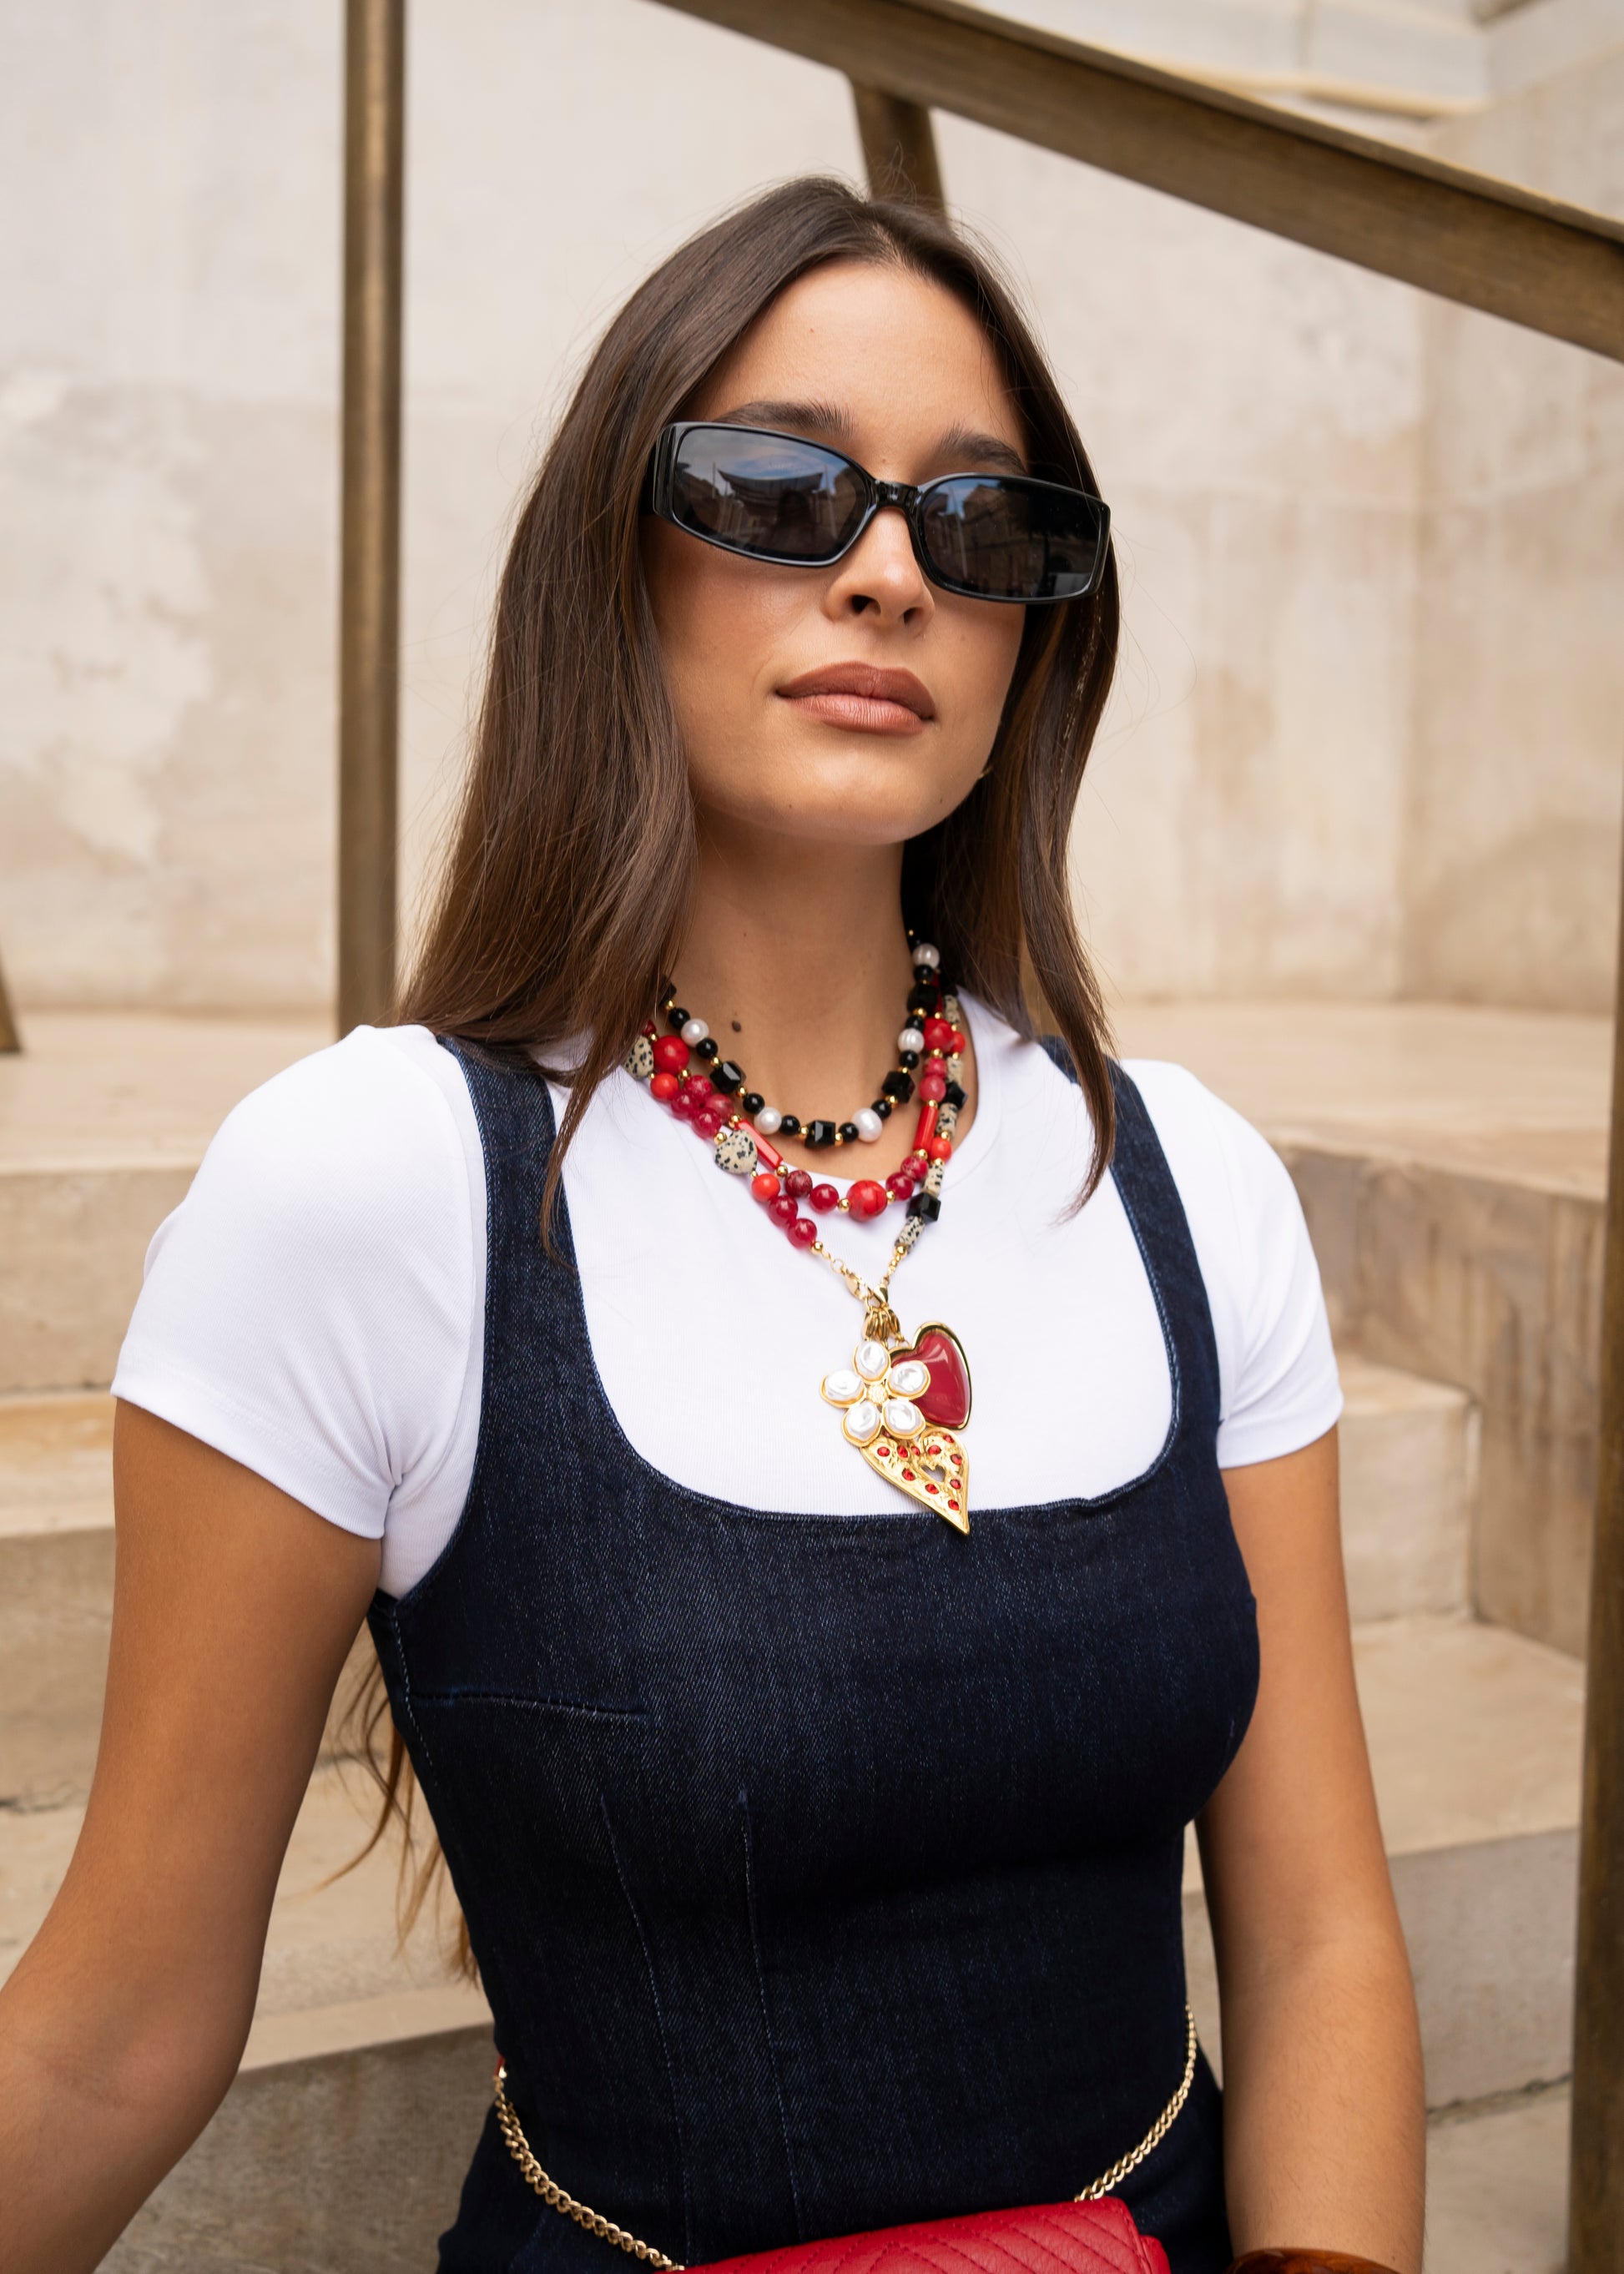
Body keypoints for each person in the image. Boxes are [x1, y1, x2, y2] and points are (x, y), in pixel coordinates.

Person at [0, 179, 1425, 2274]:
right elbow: (112, 2033)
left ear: (1037, 628)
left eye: (979, 522)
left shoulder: (1187, 1181)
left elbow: (1316, 1943)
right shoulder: (372, 1185)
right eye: (777, 487)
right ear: (614, 552)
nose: (888, 572)